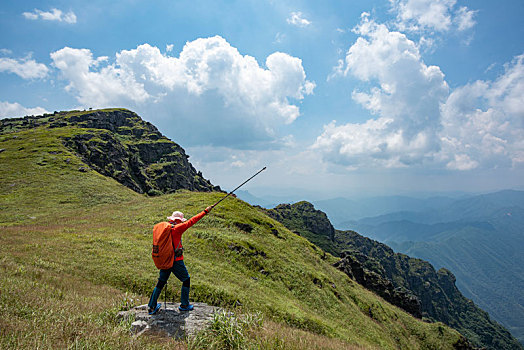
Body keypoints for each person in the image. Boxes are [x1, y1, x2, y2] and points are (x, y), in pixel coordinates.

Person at [148, 205, 213, 315]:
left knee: (161, 282)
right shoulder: (177, 229)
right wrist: (205, 211)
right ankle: (184, 304)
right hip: (176, 260)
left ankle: (152, 306)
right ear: (179, 221)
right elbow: (192, 221)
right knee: (186, 279)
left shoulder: (166, 228)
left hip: (166, 259)